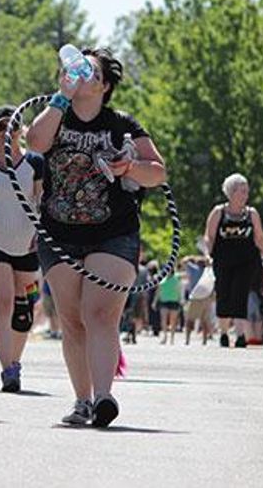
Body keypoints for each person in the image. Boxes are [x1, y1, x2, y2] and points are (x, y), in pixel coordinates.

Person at [26, 46, 167, 428]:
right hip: (59, 234)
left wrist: (132, 167)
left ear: (104, 85)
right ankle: (82, 400)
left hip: (113, 233)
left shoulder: (122, 124)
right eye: (76, 68)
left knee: (100, 313)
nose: (80, 74)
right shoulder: (57, 115)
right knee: (72, 320)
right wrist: (61, 97)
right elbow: (34, 143)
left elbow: (158, 173)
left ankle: (104, 397)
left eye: (90, 71)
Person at [0, 104, 44, 392]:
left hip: (26, 242)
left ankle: (15, 360)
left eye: (13, 127)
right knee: (2, 302)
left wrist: (42, 233)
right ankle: (7, 369)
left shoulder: (35, 164)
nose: (8, 132)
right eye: (2, 127)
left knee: (24, 310)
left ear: (22, 131)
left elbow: (41, 201)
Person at [203, 173, 263, 349]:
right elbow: (209, 236)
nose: (246, 195)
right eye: (242, 191)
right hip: (223, 261)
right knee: (224, 295)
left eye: (246, 192)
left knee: (240, 294)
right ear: (231, 192)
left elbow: (259, 237)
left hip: (246, 261)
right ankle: (224, 333)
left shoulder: (252, 214)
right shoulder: (218, 212)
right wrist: (207, 254)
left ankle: (241, 335)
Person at [155, 263, 184, 345]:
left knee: (173, 321)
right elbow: (158, 290)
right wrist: (155, 301)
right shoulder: (162, 278)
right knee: (163, 320)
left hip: (174, 301)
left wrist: (181, 299)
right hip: (164, 301)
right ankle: (165, 336)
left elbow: (180, 289)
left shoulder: (176, 278)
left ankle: (172, 338)